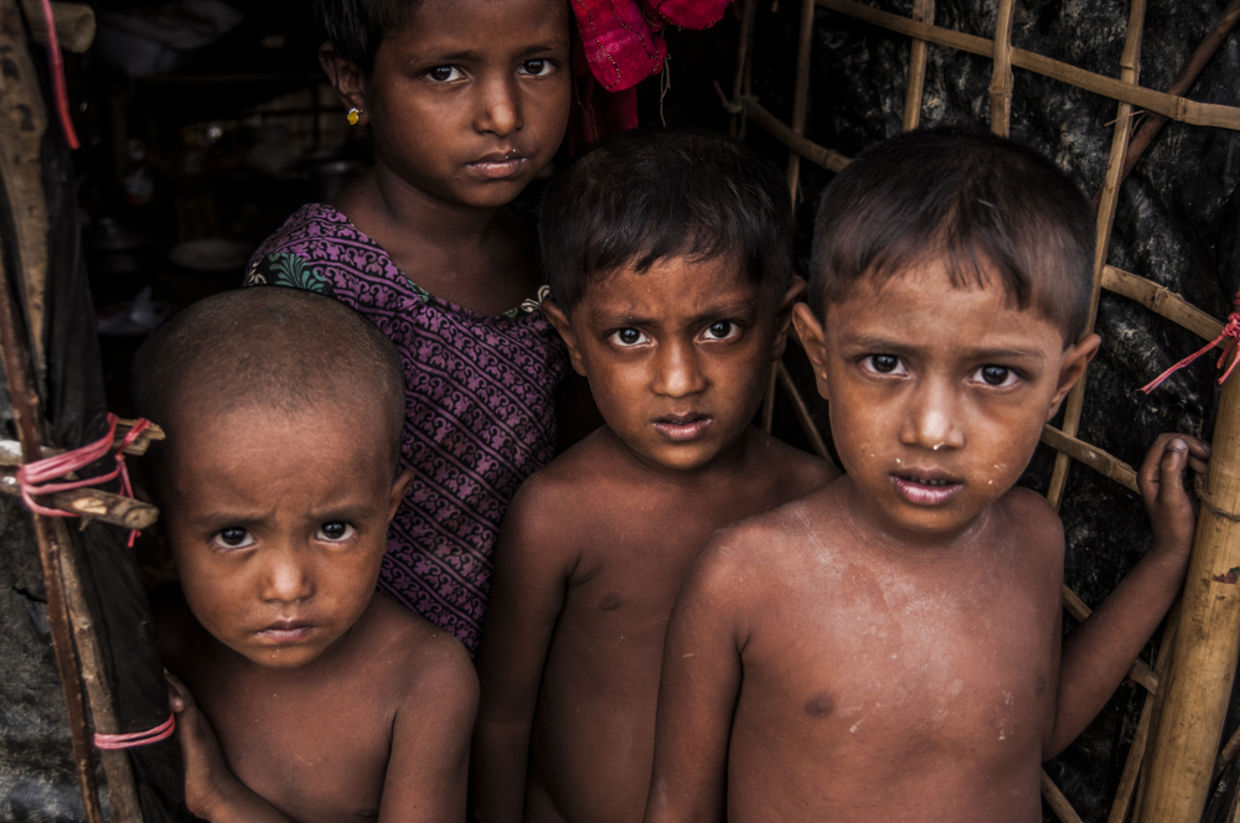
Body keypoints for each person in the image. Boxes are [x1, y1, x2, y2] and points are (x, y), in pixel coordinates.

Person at [642, 128, 1211, 823]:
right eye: (885, 363)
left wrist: (1166, 561)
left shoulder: (1034, 538)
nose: (933, 429)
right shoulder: (745, 575)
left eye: (995, 374)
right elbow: (678, 806)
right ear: (820, 356)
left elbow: (1035, 731)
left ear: (1063, 381)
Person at [472, 130, 840, 823]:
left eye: (719, 329)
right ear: (572, 338)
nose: (678, 380)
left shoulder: (814, 502)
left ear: (780, 326)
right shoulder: (558, 514)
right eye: (630, 336)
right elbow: (501, 720)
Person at [244, 0, 575, 655]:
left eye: (537, 65)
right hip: (375, 672)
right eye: (445, 73)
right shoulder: (312, 280)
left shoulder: (559, 243)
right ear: (353, 80)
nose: (503, 115)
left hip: (540, 652)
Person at [133, 288, 478, 822]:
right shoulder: (147, 652)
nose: (289, 585)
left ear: (388, 509)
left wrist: (219, 797)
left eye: (334, 529)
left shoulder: (423, 679)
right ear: (157, 525)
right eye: (234, 536)